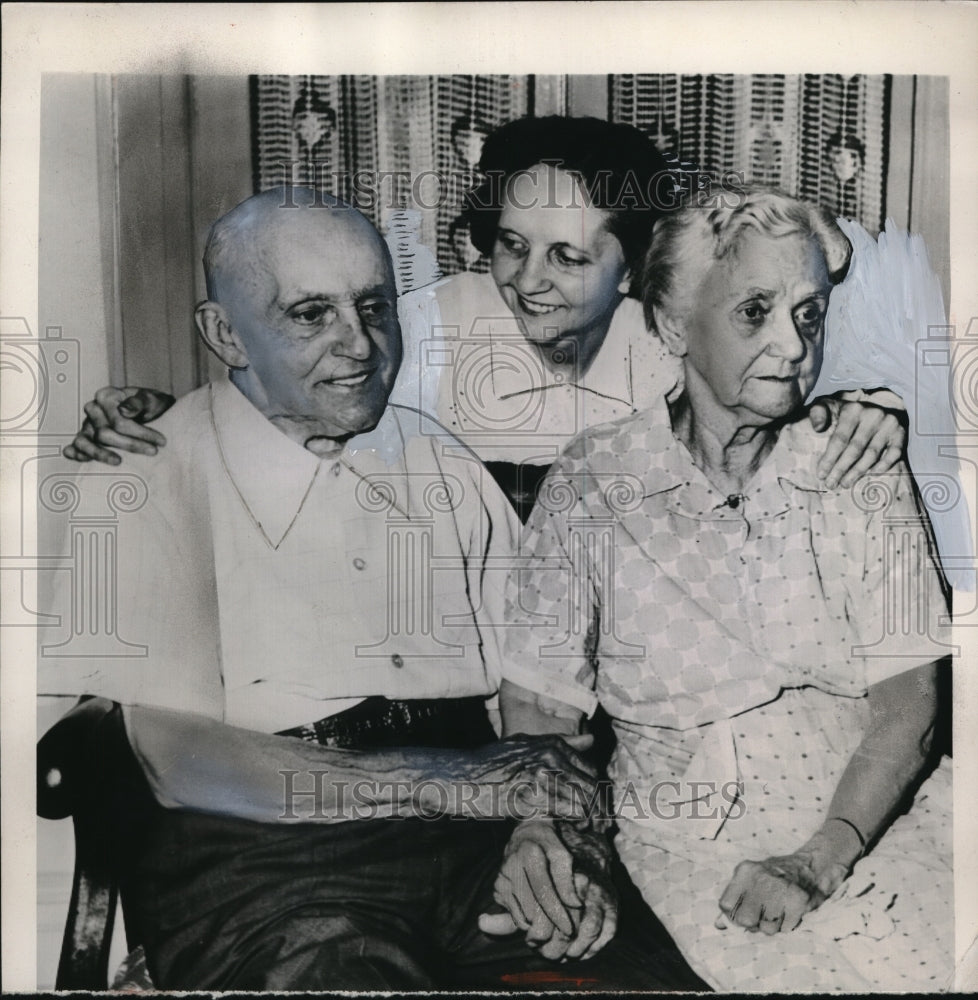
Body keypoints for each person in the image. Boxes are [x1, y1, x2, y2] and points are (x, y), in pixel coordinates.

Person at [39, 187, 705, 991]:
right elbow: (179, 761)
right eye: (310, 314)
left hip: (475, 840)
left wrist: (548, 829)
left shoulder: (437, 457)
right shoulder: (143, 475)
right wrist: (462, 784)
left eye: (374, 307)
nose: (359, 345)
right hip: (272, 859)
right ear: (225, 334)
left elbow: (538, 680)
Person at [499, 186, 953, 992]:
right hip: (691, 838)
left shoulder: (856, 462)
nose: (793, 344)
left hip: (875, 811)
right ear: (675, 326)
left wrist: (819, 859)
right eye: (755, 312)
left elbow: (908, 705)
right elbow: (540, 702)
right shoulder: (594, 480)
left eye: (809, 314)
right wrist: (542, 824)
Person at [67, 116, 906, 525]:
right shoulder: (426, 325)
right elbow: (289, 409)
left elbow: (788, 410)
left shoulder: (676, 340)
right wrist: (162, 418)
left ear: (631, 270)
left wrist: (867, 411)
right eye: (511, 245)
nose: (527, 282)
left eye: (567, 257)